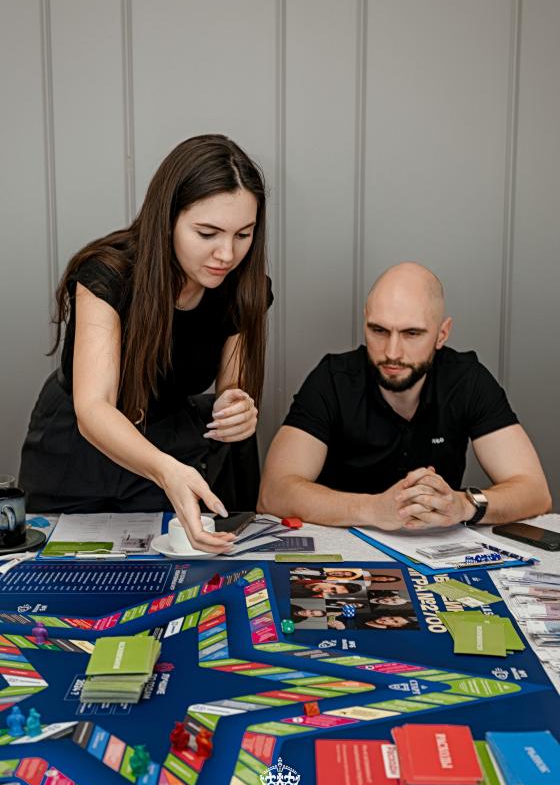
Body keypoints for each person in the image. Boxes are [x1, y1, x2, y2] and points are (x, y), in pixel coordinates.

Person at [20, 135, 272, 553]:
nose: (227, 254)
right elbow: (94, 407)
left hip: (170, 441)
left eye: (243, 234)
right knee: (60, 572)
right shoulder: (108, 273)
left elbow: (232, 388)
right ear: (167, 219)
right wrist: (164, 469)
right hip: (76, 449)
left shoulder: (244, 287)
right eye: (207, 233)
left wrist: (238, 409)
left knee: (165, 570)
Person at [258, 262, 551, 529]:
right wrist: (372, 509)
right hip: (342, 552)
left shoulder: (467, 380)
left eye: (412, 333)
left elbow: (535, 493)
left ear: (442, 334)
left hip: (436, 553)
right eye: (379, 330)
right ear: (365, 322)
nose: (392, 352)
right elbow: (273, 494)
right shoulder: (332, 380)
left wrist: (464, 505)